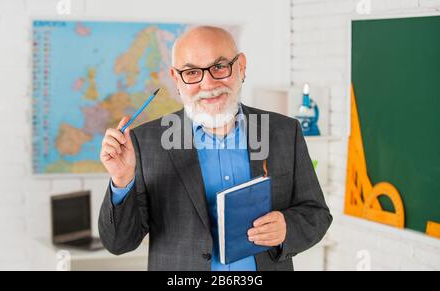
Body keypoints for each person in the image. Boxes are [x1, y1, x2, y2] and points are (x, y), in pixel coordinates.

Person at [99, 26, 332, 271]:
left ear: (240, 66)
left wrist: (287, 227)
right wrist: (122, 180)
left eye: (219, 67)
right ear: (176, 78)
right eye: (191, 72)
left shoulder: (284, 132)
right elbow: (118, 243)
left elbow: (317, 214)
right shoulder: (145, 142)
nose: (208, 83)